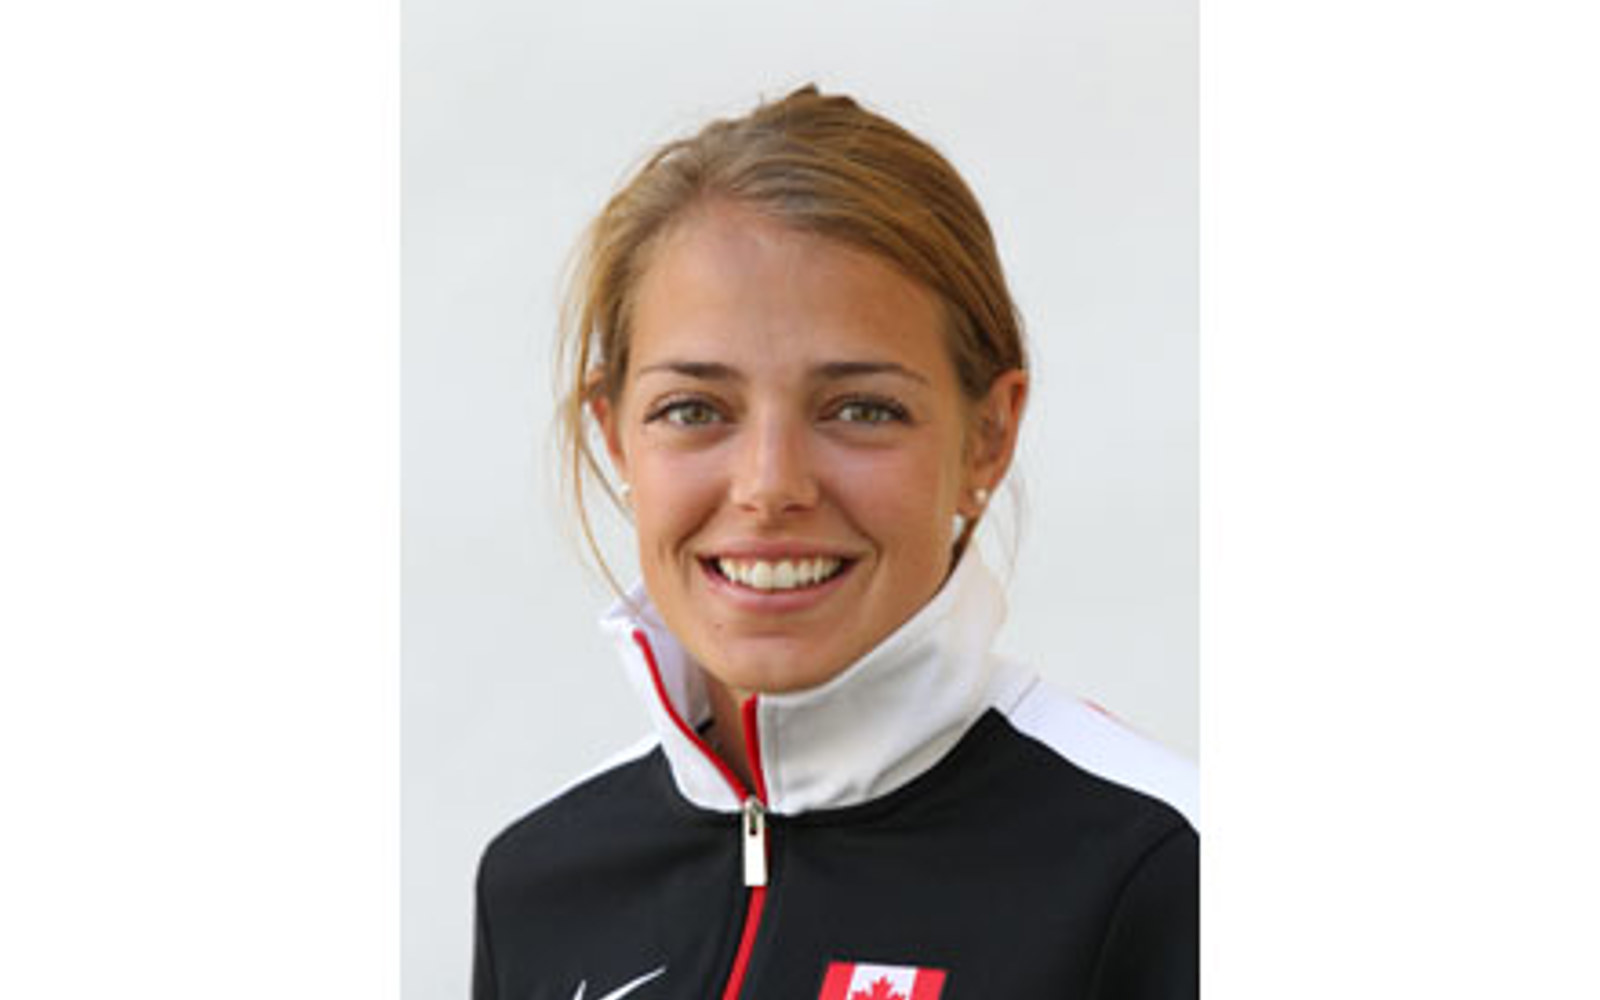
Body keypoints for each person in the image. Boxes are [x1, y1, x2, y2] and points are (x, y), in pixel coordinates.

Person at [473, 85, 1197, 1000]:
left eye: (862, 409)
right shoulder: (538, 885)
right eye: (694, 410)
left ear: (988, 436)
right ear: (616, 434)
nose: (772, 485)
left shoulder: (1164, 867)